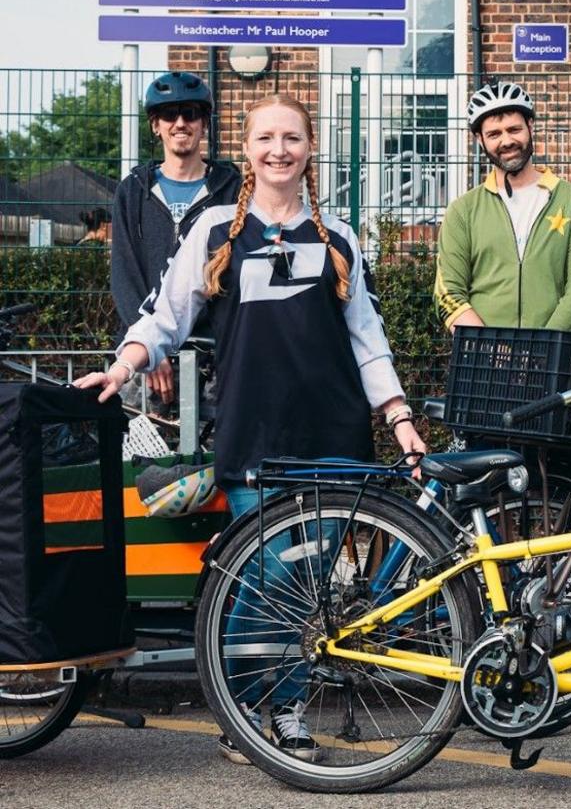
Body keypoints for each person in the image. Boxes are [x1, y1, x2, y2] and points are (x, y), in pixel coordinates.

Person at [76, 93, 427, 765]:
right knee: (268, 576)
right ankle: (242, 706)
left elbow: (369, 340)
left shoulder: (339, 238)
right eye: (266, 137)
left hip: (333, 439)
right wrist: (123, 368)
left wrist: (399, 417)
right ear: (248, 148)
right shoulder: (213, 230)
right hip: (253, 440)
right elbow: (162, 317)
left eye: (291, 137)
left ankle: (287, 714)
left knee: (310, 590)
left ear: (309, 147)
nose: (279, 149)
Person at [111, 71, 241, 403]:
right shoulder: (133, 191)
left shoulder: (233, 190)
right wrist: (150, 349)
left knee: (214, 452)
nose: (180, 122)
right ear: (156, 125)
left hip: (214, 350)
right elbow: (124, 274)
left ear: (204, 123)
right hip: (145, 350)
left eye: (191, 114)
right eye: (169, 114)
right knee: (139, 448)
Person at [434, 81, 571, 331]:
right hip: (484, 360)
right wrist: (492, 350)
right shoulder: (463, 211)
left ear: (530, 127)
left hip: (552, 357)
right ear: (480, 140)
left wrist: (540, 351)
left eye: (514, 129)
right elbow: (448, 293)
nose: (507, 141)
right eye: (494, 134)